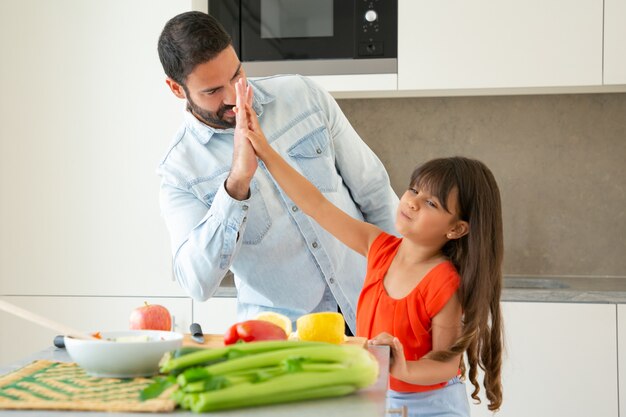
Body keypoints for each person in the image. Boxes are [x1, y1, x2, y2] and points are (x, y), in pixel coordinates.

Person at [236, 78, 503, 416]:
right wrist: (263, 149)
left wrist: (401, 368)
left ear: (457, 229)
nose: (412, 202)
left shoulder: (442, 283)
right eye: (413, 189)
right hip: (379, 398)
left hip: (430, 407)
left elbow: (447, 364)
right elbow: (316, 205)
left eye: (432, 203)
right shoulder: (380, 248)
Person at [155, 11, 398, 334]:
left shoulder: (303, 97)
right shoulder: (179, 171)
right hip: (284, 338)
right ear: (176, 89)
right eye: (212, 91)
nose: (232, 96)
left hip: (371, 309)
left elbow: (375, 192)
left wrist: (407, 283)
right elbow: (197, 283)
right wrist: (236, 184)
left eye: (237, 75)